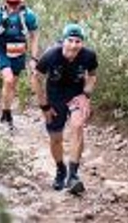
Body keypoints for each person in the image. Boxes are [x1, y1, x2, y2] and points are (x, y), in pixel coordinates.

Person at [33, 23, 98, 195]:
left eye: (78, 41)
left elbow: (92, 76)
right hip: (54, 99)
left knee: (77, 127)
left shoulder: (88, 56)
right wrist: (44, 106)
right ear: (63, 41)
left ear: (82, 43)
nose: (74, 45)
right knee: (56, 138)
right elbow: (36, 79)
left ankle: (73, 175)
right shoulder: (51, 55)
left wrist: (86, 95)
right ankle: (60, 169)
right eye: (70, 40)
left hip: (75, 96)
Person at [0, 0, 40, 130]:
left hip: (19, 49)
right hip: (2, 49)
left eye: (16, 3)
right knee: (7, 80)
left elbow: (34, 36)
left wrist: (33, 57)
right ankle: (7, 115)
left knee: (12, 85)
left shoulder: (29, 16)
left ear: (22, 2)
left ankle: (5, 113)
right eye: (10, 3)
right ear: (5, 2)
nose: (13, 6)